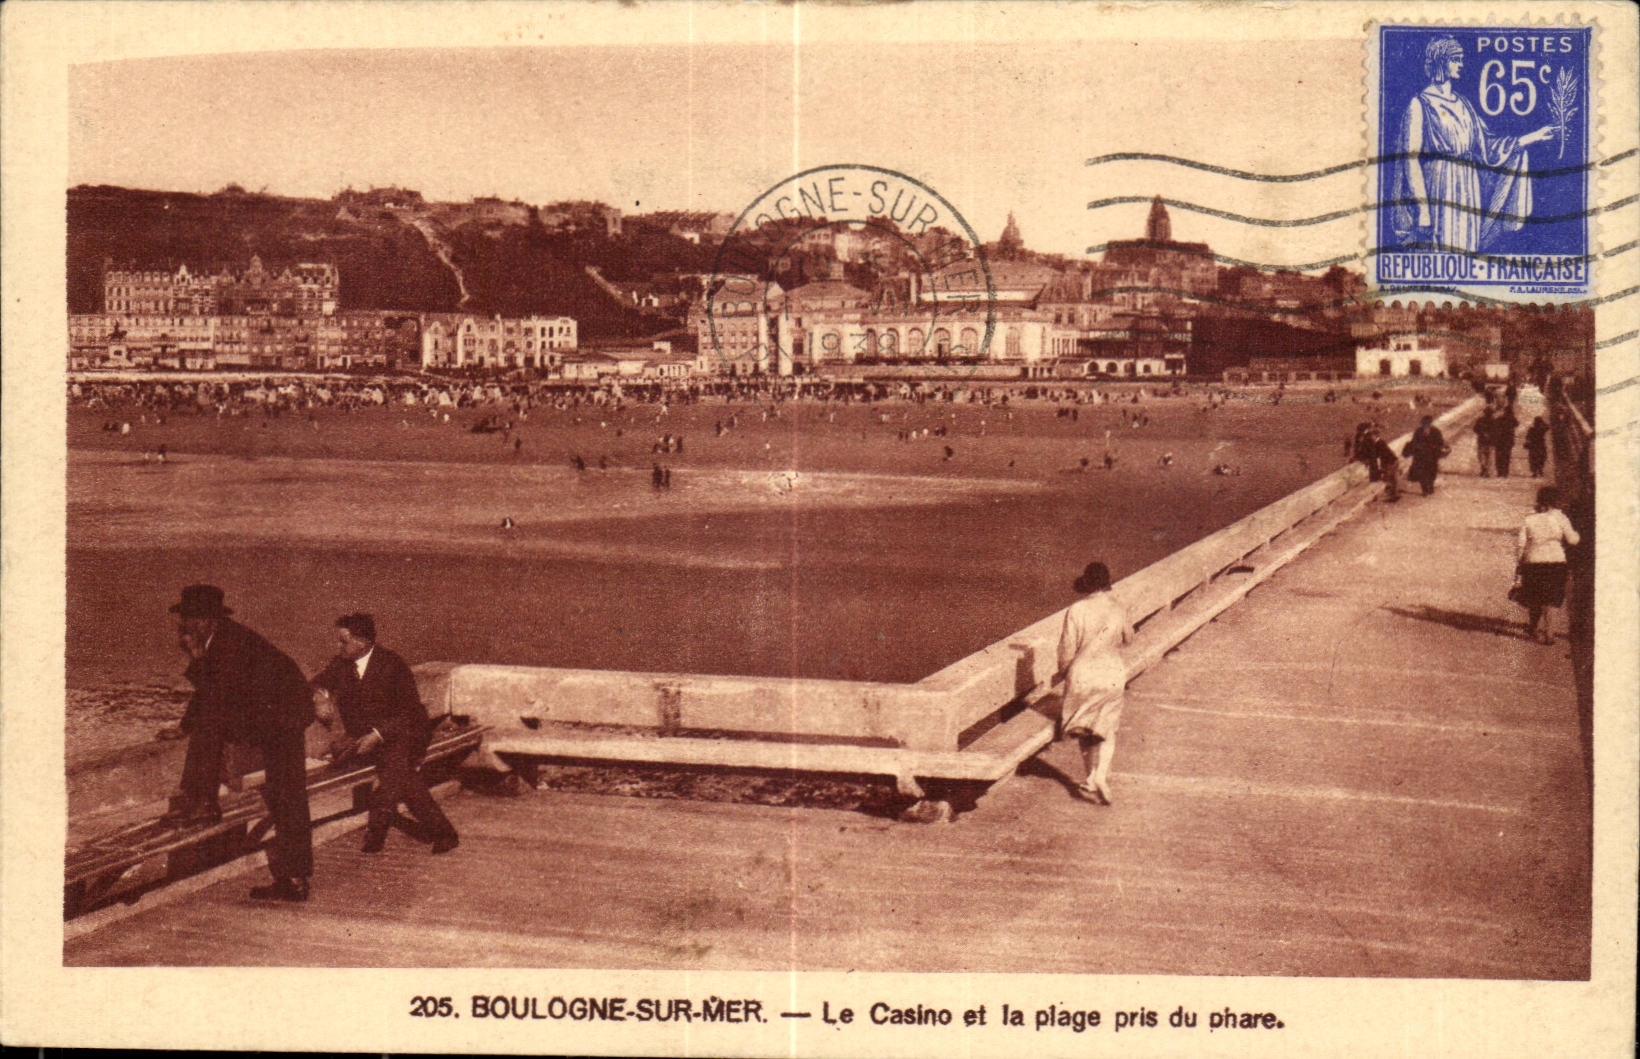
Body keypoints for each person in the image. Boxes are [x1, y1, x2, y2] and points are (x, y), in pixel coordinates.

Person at [164, 585, 315, 902]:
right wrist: (183, 727)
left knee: (287, 794)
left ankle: (203, 804)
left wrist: (194, 658)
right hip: (274, 711)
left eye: (187, 620)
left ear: (206, 621)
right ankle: (203, 803)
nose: (182, 627)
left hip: (284, 714)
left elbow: (213, 696)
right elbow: (211, 695)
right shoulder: (221, 639)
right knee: (285, 793)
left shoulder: (228, 645)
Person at [310, 613, 459, 854]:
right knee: (398, 775)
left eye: (343, 641)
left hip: (403, 734)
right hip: (366, 736)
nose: (338, 646)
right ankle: (389, 828)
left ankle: (389, 832)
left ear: (362, 642)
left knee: (397, 774)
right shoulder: (341, 664)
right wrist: (320, 698)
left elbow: (410, 714)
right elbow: (317, 683)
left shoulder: (392, 665)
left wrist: (378, 735)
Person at [1391, 36, 1555, 253]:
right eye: (1456, 59)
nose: (1461, 64)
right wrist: (1423, 210)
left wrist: (1531, 137)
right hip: (1440, 187)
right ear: (1441, 61)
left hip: (1468, 187)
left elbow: (1487, 147)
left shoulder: (1463, 103)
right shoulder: (1419, 104)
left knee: (1466, 250)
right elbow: (1410, 161)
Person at [1056, 562, 1134, 806]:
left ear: (1087, 583)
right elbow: (1129, 638)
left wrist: (1064, 672)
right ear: (1107, 583)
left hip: (1082, 675)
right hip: (1110, 673)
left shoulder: (1076, 610)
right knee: (1107, 728)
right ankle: (1100, 776)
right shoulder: (1117, 608)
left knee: (1084, 728)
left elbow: (1067, 648)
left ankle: (1090, 777)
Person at [1514, 487, 1581, 644]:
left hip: (1533, 561)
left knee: (1535, 596)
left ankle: (1533, 628)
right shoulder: (1561, 518)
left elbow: (1520, 544)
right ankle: (1550, 633)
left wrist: (1519, 562)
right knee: (1550, 598)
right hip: (1556, 562)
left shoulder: (1529, 519)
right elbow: (1573, 540)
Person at [1403, 415, 1448, 496]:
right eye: (1424, 424)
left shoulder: (1436, 431)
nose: (1425, 426)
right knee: (1421, 473)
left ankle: (1430, 486)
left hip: (1432, 456)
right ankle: (1424, 489)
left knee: (1432, 472)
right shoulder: (1418, 431)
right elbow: (1414, 442)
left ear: (1430, 424)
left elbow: (1440, 443)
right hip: (1421, 456)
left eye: (1427, 424)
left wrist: (1434, 447)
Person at [1493, 403, 1519, 478]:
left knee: (1498, 456)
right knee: (1507, 456)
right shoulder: (1512, 419)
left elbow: (1495, 426)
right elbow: (1517, 424)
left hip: (1499, 441)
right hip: (1508, 441)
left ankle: (1499, 471)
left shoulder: (1499, 419)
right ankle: (1505, 472)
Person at [1474, 405, 1496, 478]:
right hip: (1490, 441)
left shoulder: (1480, 420)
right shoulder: (1494, 421)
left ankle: (1484, 468)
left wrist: (1482, 433)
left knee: (1481, 456)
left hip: (1482, 441)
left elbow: (1475, 429)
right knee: (1488, 457)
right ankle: (1486, 469)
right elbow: (1497, 431)